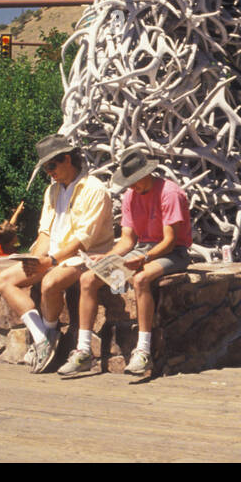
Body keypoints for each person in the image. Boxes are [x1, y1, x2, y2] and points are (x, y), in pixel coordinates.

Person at [58, 149, 193, 377]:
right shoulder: (130, 196)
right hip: (142, 250)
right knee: (88, 279)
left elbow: (170, 242)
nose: (132, 187)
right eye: (129, 183)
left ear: (148, 173)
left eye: (135, 182)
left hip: (173, 253)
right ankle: (83, 352)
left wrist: (146, 259)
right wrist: (110, 257)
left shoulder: (170, 193)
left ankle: (143, 351)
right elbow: (128, 240)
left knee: (141, 279)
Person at [0, 135, 114, 374]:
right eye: (46, 167)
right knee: (3, 280)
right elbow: (46, 233)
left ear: (67, 159)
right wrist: (35, 260)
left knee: (50, 282)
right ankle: (42, 338)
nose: (49, 172)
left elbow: (83, 240)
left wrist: (50, 262)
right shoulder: (52, 191)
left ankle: (48, 334)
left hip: (85, 257)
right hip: (55, 257)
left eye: (51, 166)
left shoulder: (95, 190)